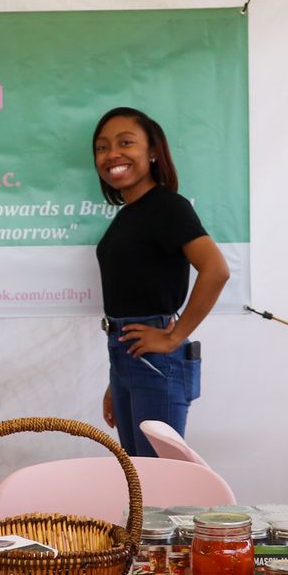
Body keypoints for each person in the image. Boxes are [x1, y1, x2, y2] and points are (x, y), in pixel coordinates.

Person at [91, 107, 231, 459]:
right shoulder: (129, 214)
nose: (112, 155)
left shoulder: (168, 206)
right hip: (128, 355)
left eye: (126, 143)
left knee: (160, 479)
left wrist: (173, 336)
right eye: (102, 147)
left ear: (153, 151)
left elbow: (216, 269)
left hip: (156, 361)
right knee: (139, 477)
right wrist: (117, 377)